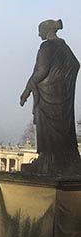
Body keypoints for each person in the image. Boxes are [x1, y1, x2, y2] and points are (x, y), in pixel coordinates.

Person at [20, 19, 81, 175]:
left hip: (48, 94)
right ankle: (66, 161)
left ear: (47, 30)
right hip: (63, 95)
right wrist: (62, 79)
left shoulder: (46, 47)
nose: (38, 35)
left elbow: (41, 71)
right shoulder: (65, 48)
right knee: (63, 129)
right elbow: (75, 65)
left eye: (40, 31)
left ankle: (48, 162)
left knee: (47, 129)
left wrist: (26, 91)